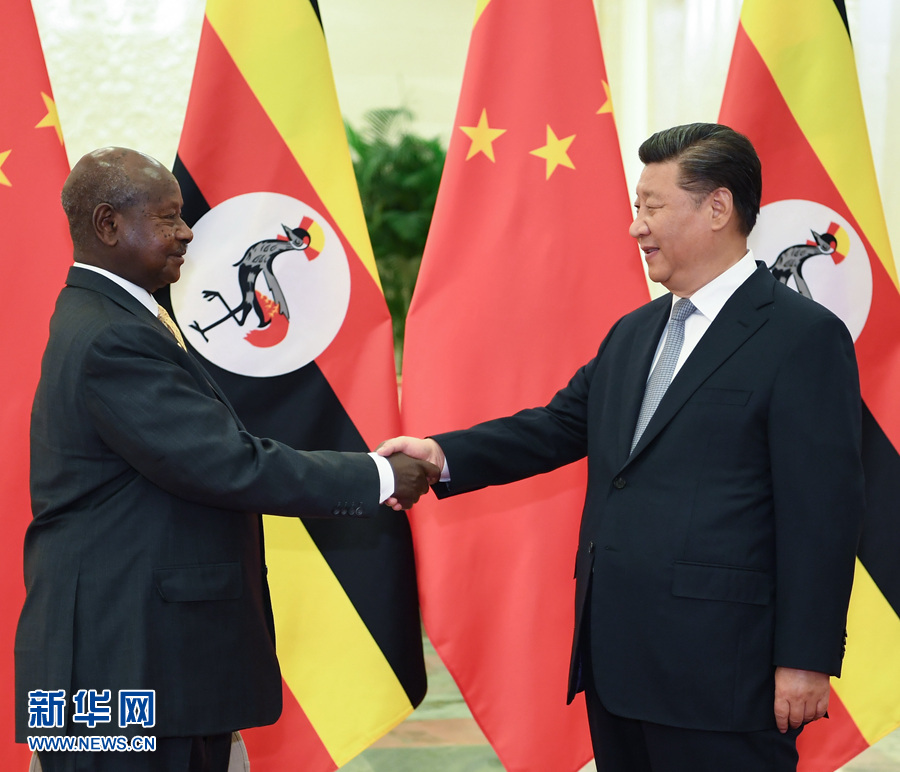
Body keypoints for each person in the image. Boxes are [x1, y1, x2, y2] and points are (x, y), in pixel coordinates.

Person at [379, 124, 864, 771]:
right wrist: (441, 455)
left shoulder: (802, 337)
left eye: (652, 207)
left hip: (725, 675)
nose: (636, 227)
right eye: (637, 207)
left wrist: (805, 660)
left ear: (717, 208)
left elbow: (823, 514)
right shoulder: (634, 333)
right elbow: (556, 427)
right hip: (617, 663)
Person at [15, 147, 439, 772]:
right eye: (167, 218)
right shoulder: (112, 336)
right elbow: (227, 464)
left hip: (143, 661)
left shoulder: (115, 315)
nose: (187, 232)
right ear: (108, 224)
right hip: (125, 665)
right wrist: (377, 476)